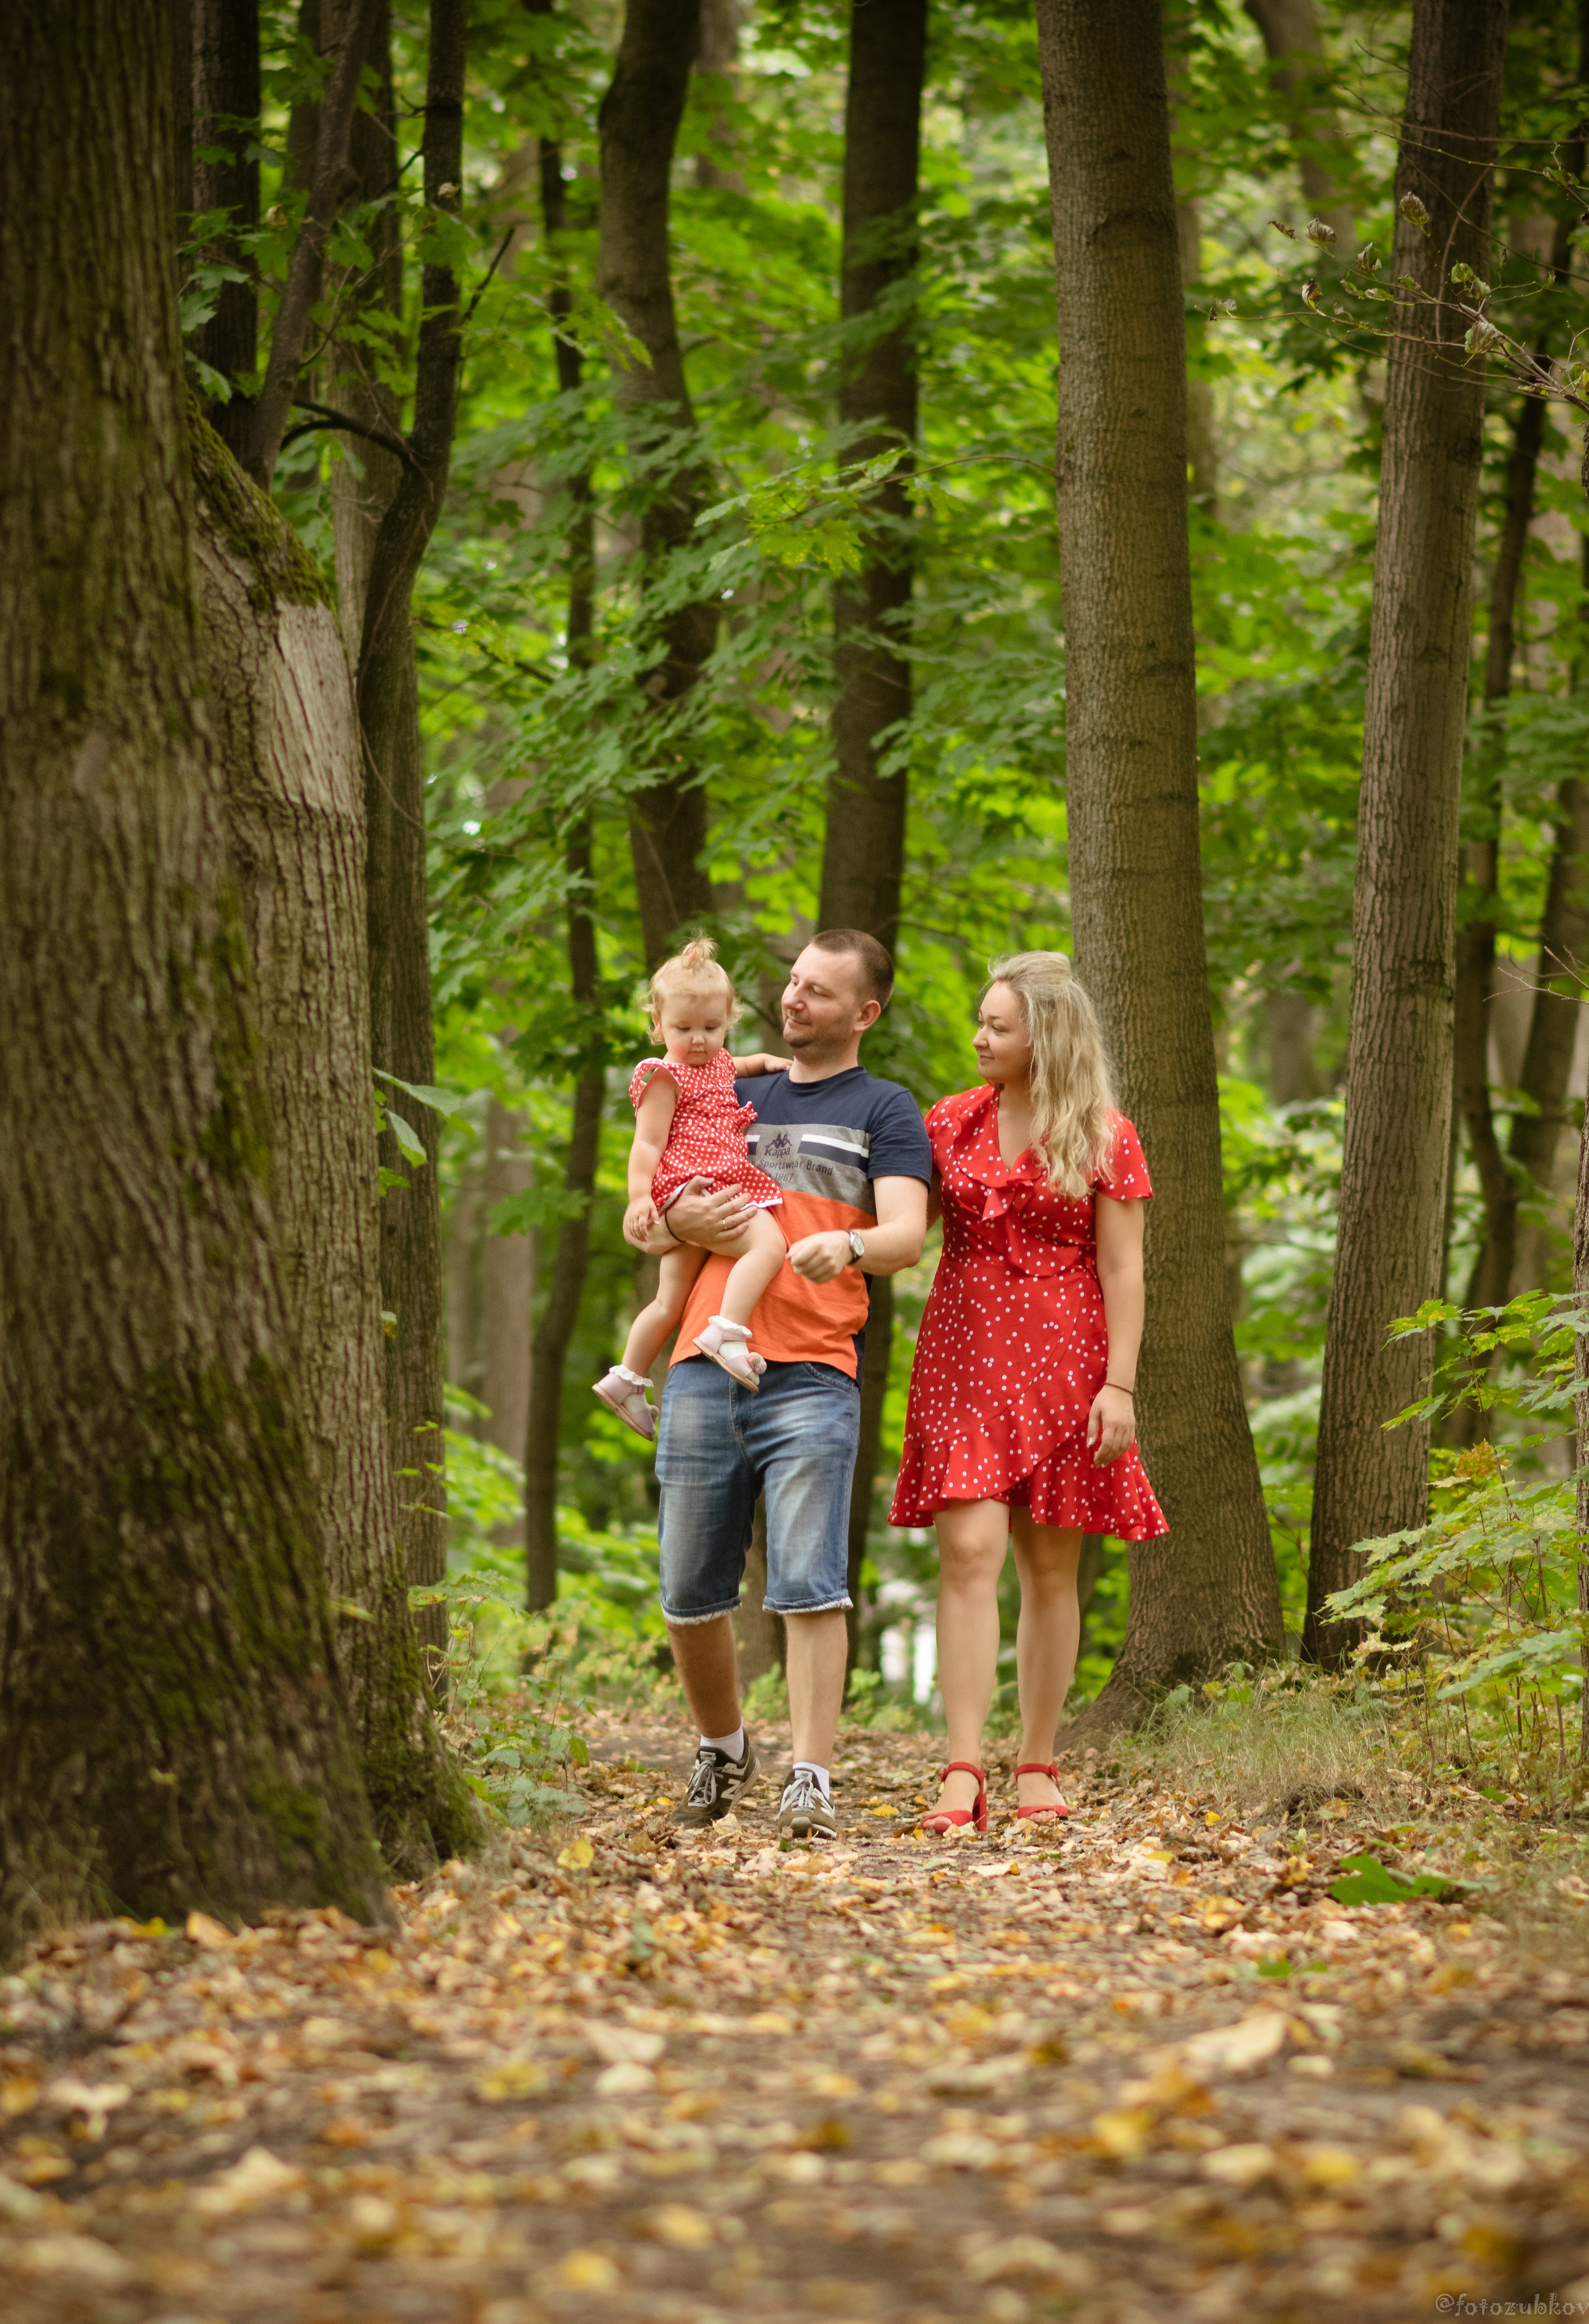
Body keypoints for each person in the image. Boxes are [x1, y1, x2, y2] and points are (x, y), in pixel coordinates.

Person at [626, 930, 931, 1839]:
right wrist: (666, 1215)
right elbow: (647, 1205)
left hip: (813, 1374)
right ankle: (722, 1748)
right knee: (688, 1589)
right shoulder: (724, 1083)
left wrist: (851, 1244)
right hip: (697, 1366)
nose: (792, 1001)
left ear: (865, 1015)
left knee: (809, 1583)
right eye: (793, 983)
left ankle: (810, 1776)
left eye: (819, 993)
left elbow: (906, 1237)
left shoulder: (886, 1108)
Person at [889, 952, 1167, 1834]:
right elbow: (902, 1225)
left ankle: (1037, 1761)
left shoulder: (1105, 1135)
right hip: (965, 1358)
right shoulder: (950, 1122)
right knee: (968, 1552)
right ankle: (962, 1768)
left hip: (1066, 1363)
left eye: (997, 1026)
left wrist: (1119, 1386)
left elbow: (1125, 1268)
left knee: (1051, 1567)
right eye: (981, 1022)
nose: (979, 1037)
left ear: (1044, 1037)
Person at [593, 939, 790, 1441]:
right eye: (683, 1029)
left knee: (670, 1301)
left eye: (712, 1028)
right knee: (769, 1245)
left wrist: (764, 1060)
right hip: (698, 1184)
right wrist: (641, 1198)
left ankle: (628, 1378)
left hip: (700, 1189)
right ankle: (728, 1330)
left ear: (728, 1022)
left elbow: (735, 1066)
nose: (699, 1041)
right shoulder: (663, 1075)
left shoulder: (717, 1062)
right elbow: (646, 1144)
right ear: (657, 1024)